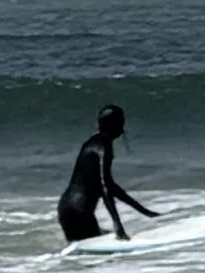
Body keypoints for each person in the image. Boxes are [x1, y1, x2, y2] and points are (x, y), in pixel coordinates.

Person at [57, 102, 157, 243]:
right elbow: (105, 188)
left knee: (86, 253)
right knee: (100, 258)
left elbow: (110, 187)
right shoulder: (103, 149)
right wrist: (118, 225)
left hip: (66, 209)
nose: (122, 129)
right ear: (114, 126)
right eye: (121, 123)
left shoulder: (92, 143)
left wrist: (144, 211)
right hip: (80, 213)